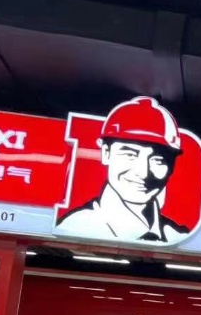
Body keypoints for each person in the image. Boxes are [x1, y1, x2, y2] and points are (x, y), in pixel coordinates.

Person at [55, 97, 191, 244]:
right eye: (130, 155)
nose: (143, 172)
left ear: (172, 166)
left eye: (158, 160)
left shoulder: (177, 237)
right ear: (106, 153)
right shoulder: (75, 227)